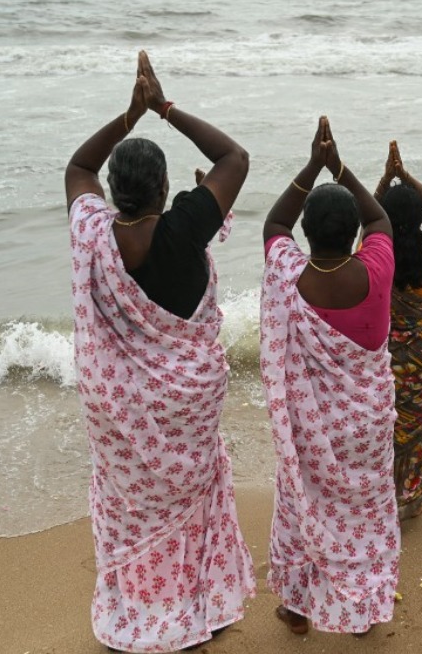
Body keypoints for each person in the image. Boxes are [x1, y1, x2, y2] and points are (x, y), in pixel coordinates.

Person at [65, 51, 255, 653]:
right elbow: (235, 159)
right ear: (168, 188)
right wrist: (164, 108)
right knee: (188, 502)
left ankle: (138, 611)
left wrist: (129, 115)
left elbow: (76, 166)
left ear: (112, 193)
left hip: (122, 413)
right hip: (186, 404)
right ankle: (196, 606)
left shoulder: (95, 233)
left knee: (133, 508)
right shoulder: (186, 225)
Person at [260, 116, 399, 637]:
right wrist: (338, 164)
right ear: (353, 236)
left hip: (312, 428)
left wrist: (312, 166)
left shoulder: (290, 274)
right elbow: (381, 219)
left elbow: (274, 225)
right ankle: (360, 609)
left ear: (309, 234)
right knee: (363, 513)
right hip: (365, 426)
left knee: (303, 504)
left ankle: (298, 609)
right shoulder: (377, 269)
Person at [374, 140, 422, 521]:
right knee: (418, 424)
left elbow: (368, 222)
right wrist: (405, 175)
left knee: (385, 420)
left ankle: (380, 495)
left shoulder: (375, 258)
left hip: (385, 355)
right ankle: (411, 500)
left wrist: (385, 181)